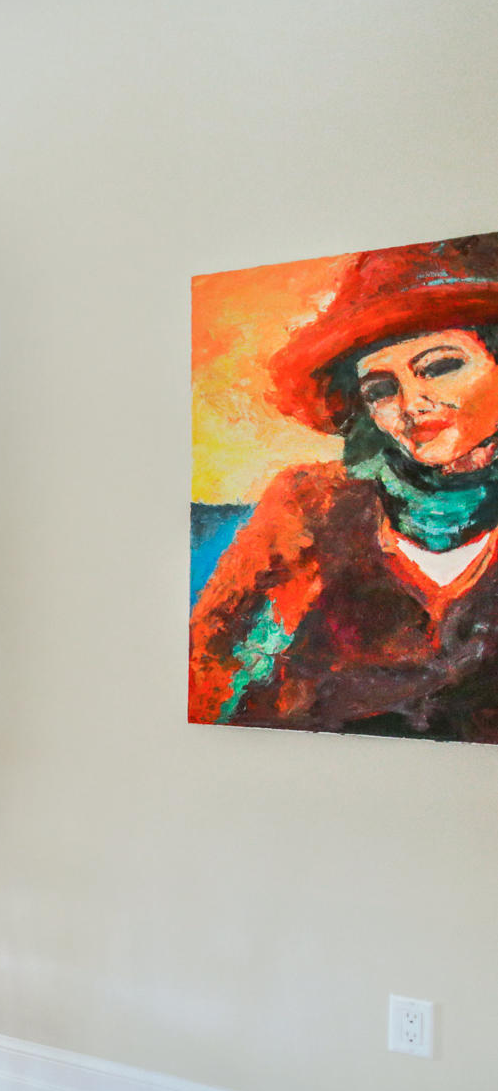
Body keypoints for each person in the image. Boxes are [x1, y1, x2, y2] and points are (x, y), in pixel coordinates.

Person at [190, 233, 498, 737]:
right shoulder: (313, 504)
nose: (410, 403)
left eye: (440, 366)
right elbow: (211, 678)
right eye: (379, 388)